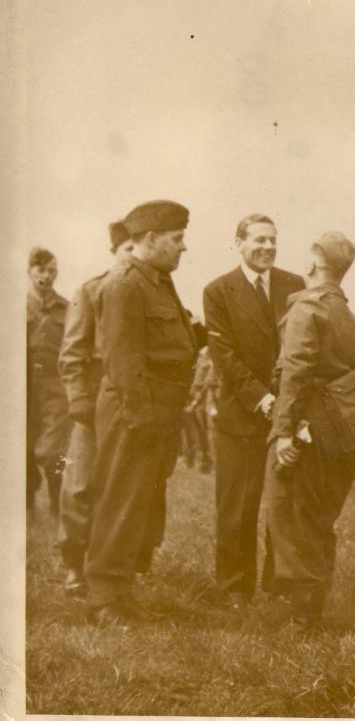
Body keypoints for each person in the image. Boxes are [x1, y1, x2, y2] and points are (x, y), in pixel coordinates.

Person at [85, 200, 197, 625]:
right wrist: (142, 419)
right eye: (177, 238)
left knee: (140, 504)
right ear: (150, 240)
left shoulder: (156, 279)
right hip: (135, 413)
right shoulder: (124, 284)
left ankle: (121, 593)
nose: (183, 247)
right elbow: (122, 360)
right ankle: (103, 601)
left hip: (155, 413)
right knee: (120, 500)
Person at [264, 231, 355, 631]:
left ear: (313, 264)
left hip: (307, 428)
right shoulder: (348, 316)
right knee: (318, 518)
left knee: (294, 517)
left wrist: (282, 433)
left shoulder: (307, 310)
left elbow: (294, 373)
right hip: (340, 432)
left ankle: (303, 617)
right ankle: (310, 605)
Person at [202, 214, 305, 607]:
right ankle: (235, 588)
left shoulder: (294, 285)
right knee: (238, 505)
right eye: (259, 240)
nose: (267, 247)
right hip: (242, 413)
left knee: (284, 502)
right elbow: (224, 357)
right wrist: (263, 399)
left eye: (272, 240)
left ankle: (280, 583)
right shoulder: (218, 291)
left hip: (288, 411)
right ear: (239, 242)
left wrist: (287, 402)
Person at [56, 221, 133, 597]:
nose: (132, 260)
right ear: (115, 252)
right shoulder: (90, 291)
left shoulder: (149, 293)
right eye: (127, 252)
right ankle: (73, 564)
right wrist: (81, 402)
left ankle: (113, 566)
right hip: (93, 401)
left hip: (129, 405)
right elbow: (71, 354)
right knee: (81, 484)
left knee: (120, 486)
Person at [27, 247, 72, 518]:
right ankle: (27, 506)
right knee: (24, 445)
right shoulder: (15, 306)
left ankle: (58, 505)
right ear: (30, 272)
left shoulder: (66, 308)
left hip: (55, 387)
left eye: (52, 270)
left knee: (56, 448)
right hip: (24, 388)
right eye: (41, 271)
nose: (47, 276)